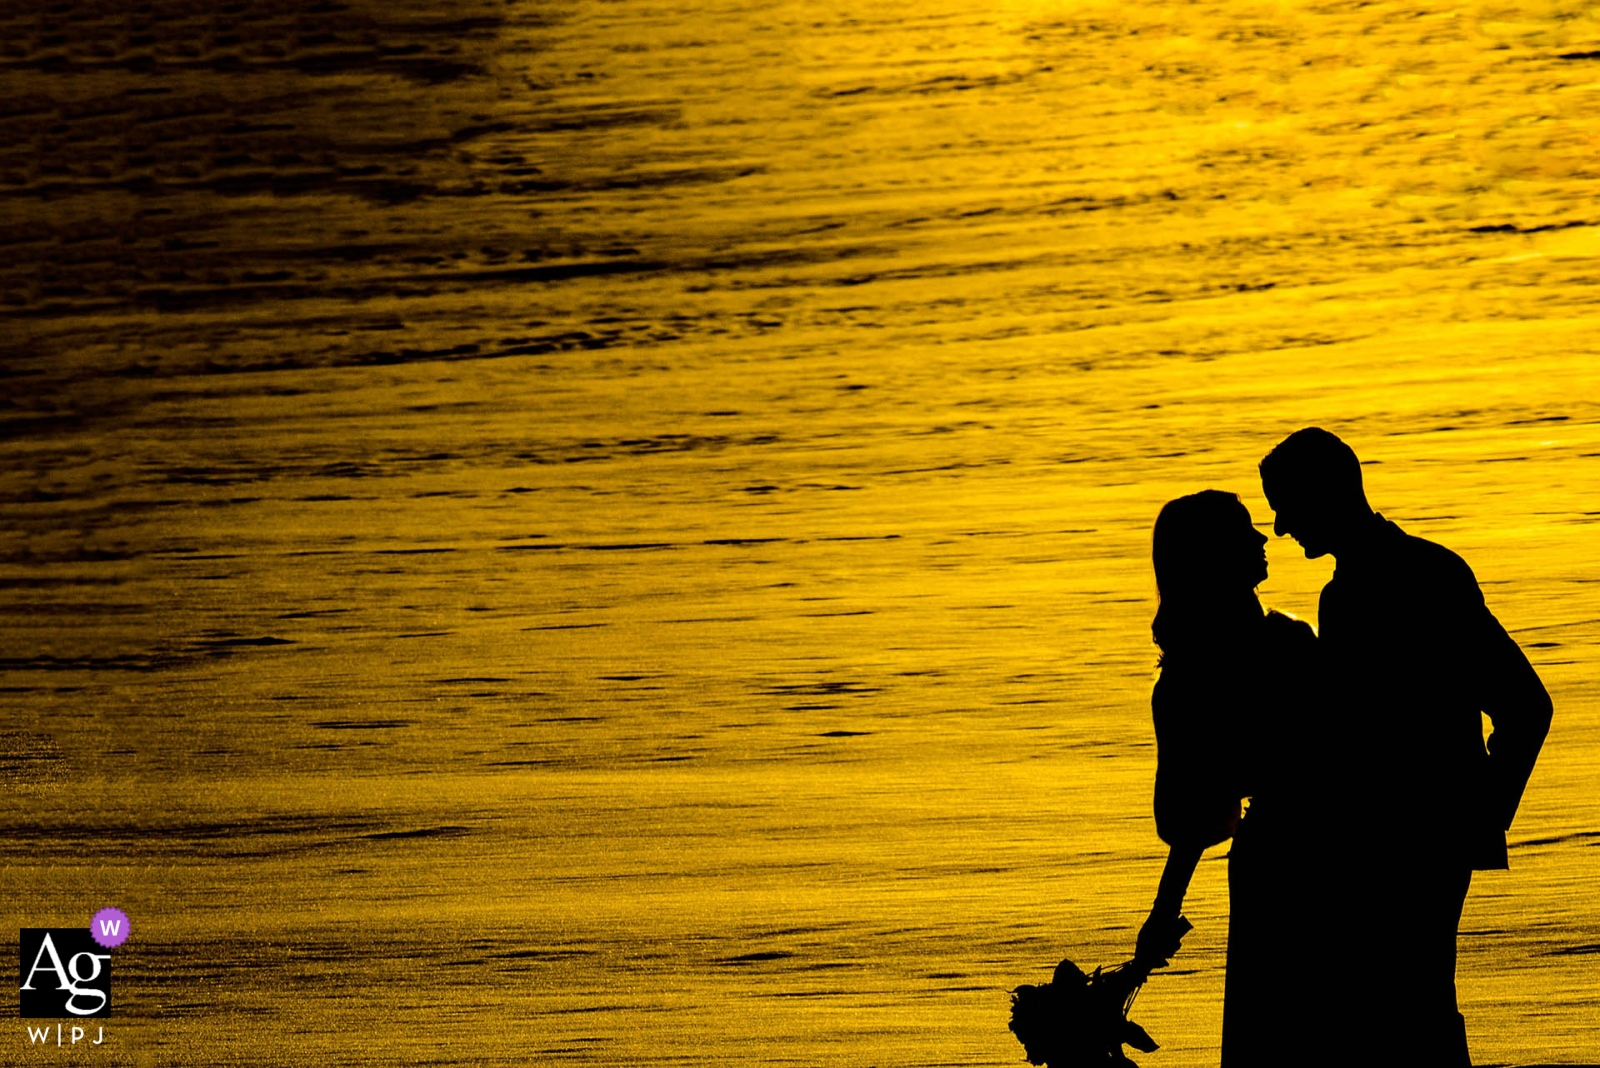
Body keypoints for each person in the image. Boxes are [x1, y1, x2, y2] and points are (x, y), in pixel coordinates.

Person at [1259, 427, 1552, 1066]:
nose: (1279, 528)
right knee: (1401, 1010)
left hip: (1412, 844)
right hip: (1373, 846)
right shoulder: (1355, 591)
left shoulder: (1425, 577)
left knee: (1410, 1007)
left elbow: (1527, 707)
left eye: (1285, 505)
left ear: (1326, 493)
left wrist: (1479, 817)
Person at [1133, 489, 1335, 1067]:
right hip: (1341, 855)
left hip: (1278, 862)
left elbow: (1194, 818)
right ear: (1214, 556)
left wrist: (1164, 913)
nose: (1263, 538)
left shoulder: (1185, 681)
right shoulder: (1293, 641)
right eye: (1245, 531)